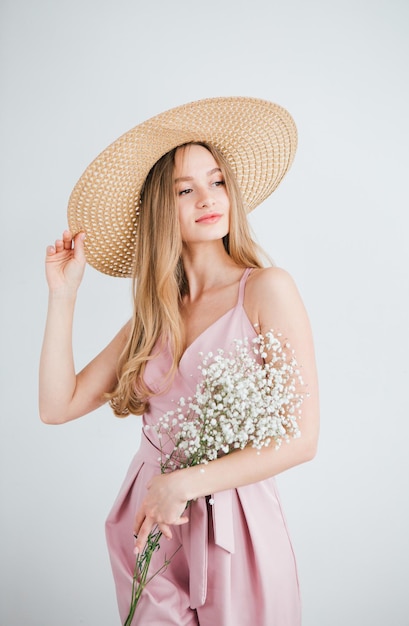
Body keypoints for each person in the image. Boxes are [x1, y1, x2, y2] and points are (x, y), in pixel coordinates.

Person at [39, 97, 319, 626]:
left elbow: (302, 440)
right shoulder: (152, 315)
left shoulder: (265, 290)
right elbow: (57, 406)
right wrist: (63, 295)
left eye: (216, 182)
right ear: (159, 209)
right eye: (185, 190)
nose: (207, 199)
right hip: (150, 530)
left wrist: (184, 484)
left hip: (236, 526)